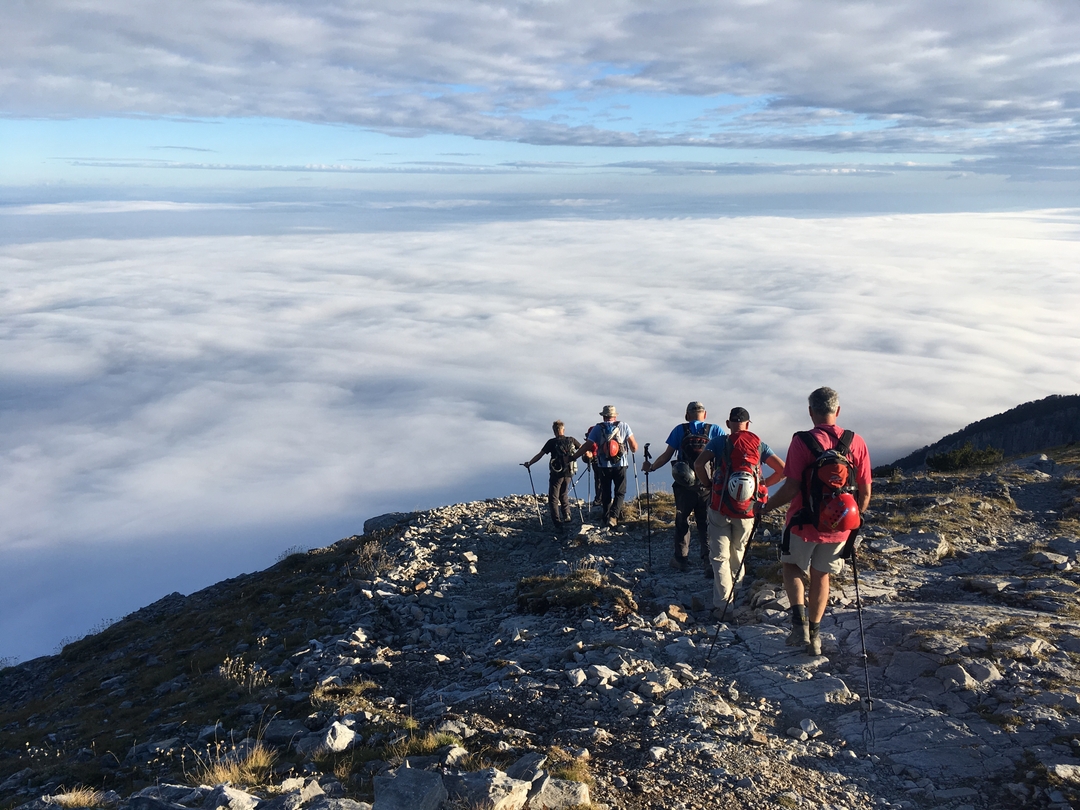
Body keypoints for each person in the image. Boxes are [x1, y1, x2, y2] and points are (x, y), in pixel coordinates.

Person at [762, 387, 872, 656]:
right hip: (839, 526)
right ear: (838, 410)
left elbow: (791, 488)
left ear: (811, 412)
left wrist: (765, 507)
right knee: (821, 576)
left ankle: (798, 624)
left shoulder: (802, 441)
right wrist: (851, 523)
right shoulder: (855, 442)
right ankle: (815, 636)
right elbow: (865, 491)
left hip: (803, 521)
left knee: (791, 567)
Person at [694, 407, 785, 617]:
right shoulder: (759, 445)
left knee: (719, 557)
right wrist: (762, 485)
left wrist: (708, 484)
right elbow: (782, 469)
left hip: (719, 506)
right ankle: (736, 589)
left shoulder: (719, 442)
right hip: (748, 509)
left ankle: (723, 604)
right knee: (739, 549)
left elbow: (699, 463)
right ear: (748, 424)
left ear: (728, 424)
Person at [641, 401, 725, 574]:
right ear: (705, 414)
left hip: (684, 486)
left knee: (682, 520)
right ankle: (708, 561)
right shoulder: (715, 430)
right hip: (707, 484)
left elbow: (667, 455)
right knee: (705, 522)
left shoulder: (680, 430)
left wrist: (652, 467)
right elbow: (724, 455)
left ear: (687, 416)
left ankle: (681, 559)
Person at [575, 405, 638, 528]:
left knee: (606, 491)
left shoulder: (597, 428)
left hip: (603, 465)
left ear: (604, 416)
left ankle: (605, 517)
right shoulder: (624, 426)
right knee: (620, 492)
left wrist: (574, 457)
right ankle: (614, 517)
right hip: (621, 464)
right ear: (615, 416)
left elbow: (588, 445)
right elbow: (634, 447)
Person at [524, 421, 581, 534]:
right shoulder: (571, 440)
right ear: (563, 430)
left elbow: (540, 455)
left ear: (554, 431)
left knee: (553, 498)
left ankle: (557, 522)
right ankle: (567, 515)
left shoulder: (551, 442)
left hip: (556, 473)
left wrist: (529, 463)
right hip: (569, 472)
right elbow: (583, 449)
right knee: (564, 493)